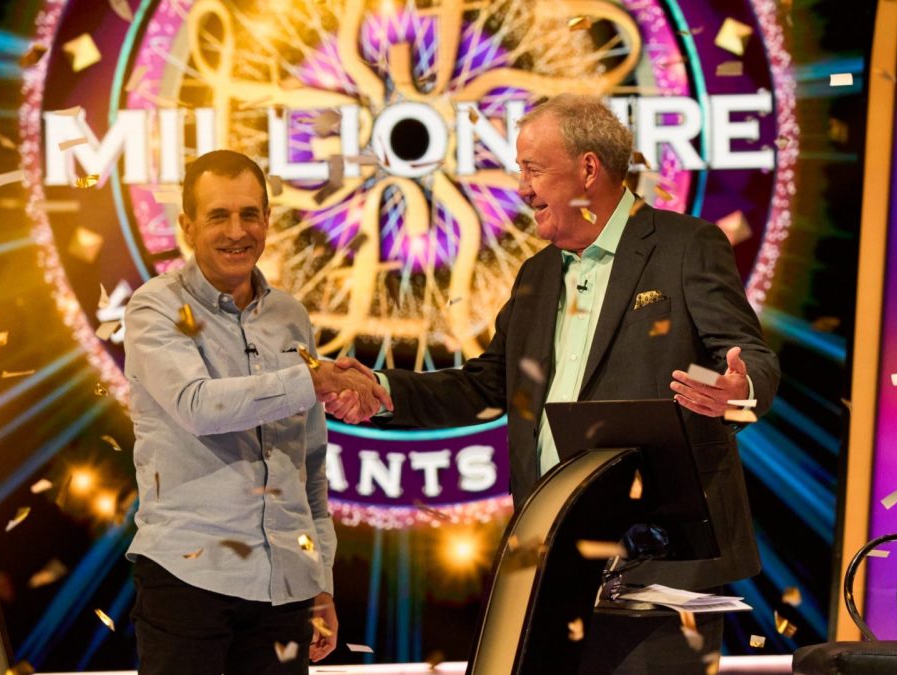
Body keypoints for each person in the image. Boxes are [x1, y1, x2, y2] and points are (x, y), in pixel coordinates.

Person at [330, 95, 779, 672]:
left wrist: (737, 390)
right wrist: (383, 389)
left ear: (588, 169)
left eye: (533, 169)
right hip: (551, 556)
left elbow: (751, 356)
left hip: (660, 561)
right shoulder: (537, 275)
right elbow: (486, 385)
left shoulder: (685, 246)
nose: (522, 187)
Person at [123, 150, 391, 674]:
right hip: (188, 578)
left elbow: (309, 460)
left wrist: (320, 580)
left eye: (249, 214)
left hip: (286, 586)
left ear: (267, 220)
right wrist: (312, 380)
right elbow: (199, 406)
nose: (236, 231)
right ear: (187, 226)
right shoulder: (156, 307)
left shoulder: (289, 315)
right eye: (218, 216)